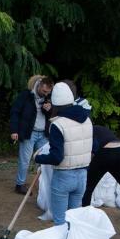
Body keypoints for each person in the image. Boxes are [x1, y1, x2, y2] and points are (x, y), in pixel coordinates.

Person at [34, 82, 93, 225]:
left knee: (60, 222)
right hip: (82, 176)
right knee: (73, 221)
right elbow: (93, 147)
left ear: (55, 104)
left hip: (63, 177)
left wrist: (38, 158)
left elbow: (57, 157)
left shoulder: (58, 124)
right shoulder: (87, 120)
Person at [10, 75, 53, 194]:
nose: (46, 94)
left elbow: (51, 116)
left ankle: (43, 187)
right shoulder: (26, 95)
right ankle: (20, 185)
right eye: (44, 91)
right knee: (25, 160)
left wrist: (49, 109)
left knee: (44, 161)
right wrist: (14, 130)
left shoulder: (48, 97)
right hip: (29, 132)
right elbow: (15, 112)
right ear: (39, 85)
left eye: (48, 92)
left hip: (43, 134)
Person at [81, 125, 120, 210]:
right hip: (119, 150)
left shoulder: (86, 132)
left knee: (89, 187)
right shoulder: (99, 128)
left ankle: (84, 212)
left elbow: (93, 148)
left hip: (105, 152)